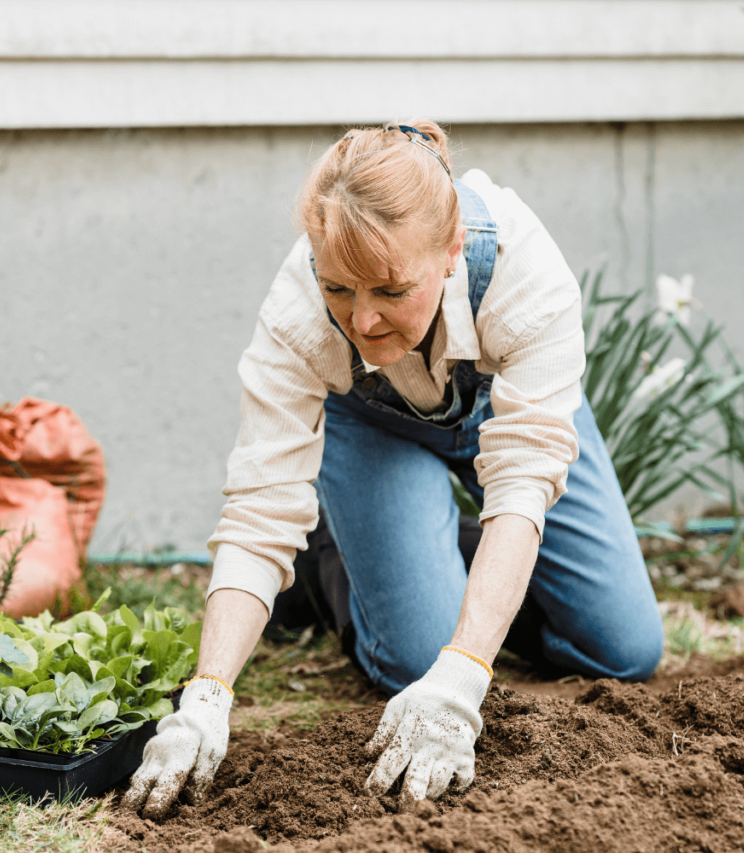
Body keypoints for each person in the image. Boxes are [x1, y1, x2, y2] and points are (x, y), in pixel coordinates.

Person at [123, 121, 664, 818]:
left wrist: (467, 670)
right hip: (369, 425)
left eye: (389, 288)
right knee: (416, 661)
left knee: (624, 647)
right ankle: (332, 560)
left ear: (450, 249)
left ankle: (403, 549)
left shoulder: (525, 273)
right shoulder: (297, 317)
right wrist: (206, 697)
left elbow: (524, 480)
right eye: (340, 289)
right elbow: (260, 510)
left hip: (509, 412)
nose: (364, 320)